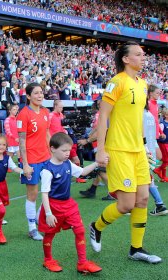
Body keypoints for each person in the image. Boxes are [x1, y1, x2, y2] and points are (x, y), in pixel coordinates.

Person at [89, 42, 161, 264]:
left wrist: (147, 145)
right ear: (126, 59)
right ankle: (96, 226)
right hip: (118, 150)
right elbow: (103, 116)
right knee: (126, 204)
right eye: (138, 55)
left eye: (143, 54)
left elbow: (137, 118)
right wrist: (100, 150)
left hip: (138, 150)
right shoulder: (116, 82)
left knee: (143, 199)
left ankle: (136, 249)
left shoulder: (142, 84)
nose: (143, 58)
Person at [39, 132, 102, 273]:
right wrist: (48, 213)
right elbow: (44, 193)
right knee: (49, 234)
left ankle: (82, 263)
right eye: (64, 150)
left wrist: (97, 163)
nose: (68, 153)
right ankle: (48, 260)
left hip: (68, 204)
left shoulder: (67, 163)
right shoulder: (47, 170)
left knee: (80, 230)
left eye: (69, 150)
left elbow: (83, 172)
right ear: (53, 149)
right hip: (53, 206)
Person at [17, 82, 50, 241]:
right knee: (33, 194)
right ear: (28, 96)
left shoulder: (45, 111)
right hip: (32, 160)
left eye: (41, 92)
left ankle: (37, 217)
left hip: (46, 158)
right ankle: (32, 228)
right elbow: (21, 141)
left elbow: (47, 134)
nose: (40, 95)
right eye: (36, 93)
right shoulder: (23, 114)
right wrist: (25, 164)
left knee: (49, 190)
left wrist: (52, 154)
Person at [49, 100, 86, 183]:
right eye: (60, 107)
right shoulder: (50, 116)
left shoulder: (61, 115)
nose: (61, 109)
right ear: (55, 106)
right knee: (58, 161)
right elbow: (46, 129)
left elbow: (63, 127)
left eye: (62, 107)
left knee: (72, 160)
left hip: (63, 141)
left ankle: (75, 177)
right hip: (55, 143)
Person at [143, 102, 168, 216]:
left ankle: (159, 204)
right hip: (149, 149)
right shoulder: (150, 116)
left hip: (141, 150)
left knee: (144, 178)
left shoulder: (139, 115)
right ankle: (159, 204)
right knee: (147, 178)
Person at [154, 107, 168, 182]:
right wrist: (161, 137)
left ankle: (163, 177)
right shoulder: (162, 124)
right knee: (166, 160)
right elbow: (159, 134)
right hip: (163, 144)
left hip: (166, 143)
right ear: (165, 115)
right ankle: (158, 170)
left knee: (165, 161)